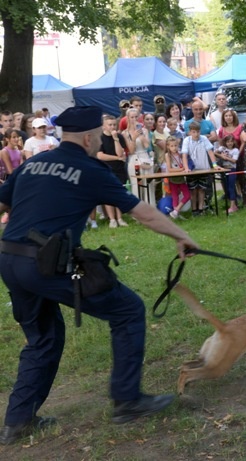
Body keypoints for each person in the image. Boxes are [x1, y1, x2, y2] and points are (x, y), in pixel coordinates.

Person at [0, 106, 200, 445]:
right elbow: (143, 212)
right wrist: (182, 236)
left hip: (9, 259)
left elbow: (4, 203)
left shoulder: (32, 164)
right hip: (45, 263)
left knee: (43, 338)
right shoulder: (90, 169)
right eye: (98, 138)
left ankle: (17, 422)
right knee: (127, 310)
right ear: (90, 138)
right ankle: (128, 401)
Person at [97, 115, 129, 228]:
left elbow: (120, 153)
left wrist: (115, 139)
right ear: (103, 126)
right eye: (109, 125)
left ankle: (119, 218)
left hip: (119, 170)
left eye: (114, 124)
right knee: (108, 195)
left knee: (119, 193)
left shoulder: (119, 137)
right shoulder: (99, 138)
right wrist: (117, 158)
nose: (112, 127)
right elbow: (100, 155)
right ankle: (112, 219)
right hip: (105, 169)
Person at [181, 121, 219, 216]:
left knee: (202, 189)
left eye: (198, 132)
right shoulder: (186, 140)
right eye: (194, 132)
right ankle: (194, 209)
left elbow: (210, 152)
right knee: (193, 190)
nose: (196, 134)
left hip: (204, 168)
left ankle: (201, 208)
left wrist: (214, 165)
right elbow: (184, 155)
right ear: (190, 132)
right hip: (193, 169)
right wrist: (186, 168)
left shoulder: (204, 139)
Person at [122, 108, 154, 202]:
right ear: (128, 118)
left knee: (148, 184)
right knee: (136, 184)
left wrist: (141, 134)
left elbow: (147, 145)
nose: (134, 119)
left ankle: (150, 206)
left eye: (136, 117)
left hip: (145, 156)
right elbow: (131, 150)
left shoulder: (144, 130)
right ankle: (138, 209)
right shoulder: (125, 133)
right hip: (133, 158)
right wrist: (134, 137)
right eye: (132, 117)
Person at [164, 136, 191, 219]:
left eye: (175, 145)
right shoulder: (167, 155)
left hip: (181, 178)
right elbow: (170, 169)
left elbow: (184, 163)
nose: (174, 148)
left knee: (187, 195)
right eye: (171, 146)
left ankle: (176, 211)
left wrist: (184, 168)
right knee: (175, 196)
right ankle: (176, 213)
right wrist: (181, 169)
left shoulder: (180, 154)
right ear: (168, 146)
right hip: (173, 178)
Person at [215, 135, 240, 213]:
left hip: (232, 169)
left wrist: (227, 158)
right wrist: (221, 156)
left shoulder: (235, 150)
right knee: (226, 187)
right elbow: (215, 153)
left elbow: (234, 160)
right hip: (224, 169)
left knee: (231, 187)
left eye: (231, 141)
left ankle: (233, 206)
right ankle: (233, 205)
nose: (230, 143)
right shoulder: (222, 148)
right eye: (228, 141)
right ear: (225, 142)